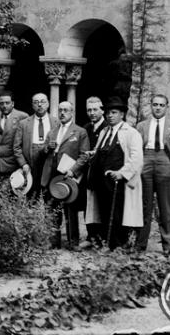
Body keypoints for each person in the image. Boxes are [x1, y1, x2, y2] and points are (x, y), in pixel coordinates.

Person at [85, 96, 144, 250]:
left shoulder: (131, 133)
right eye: (108, 113)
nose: (110, 116)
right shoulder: (105, 132)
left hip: (119, 182)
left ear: (122, 115)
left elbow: (136, 158)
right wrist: (93, 154)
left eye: (114, 112)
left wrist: (122, 173)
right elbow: (100, 150)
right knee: (104, 211)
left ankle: (117, 245)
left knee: (117, 213)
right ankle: (106, 242)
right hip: (102, 181)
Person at [135, 94, 170, 255]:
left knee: (166, 207)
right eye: (155, 104)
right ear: (151, 106)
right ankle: (140, 244)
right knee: (144, 206)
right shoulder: (141, 126)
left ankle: (167, 245)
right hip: (146, 160)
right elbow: (136, 148)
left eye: (161, 105)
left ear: (167, 107)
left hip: (165, 161)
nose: (158, 108)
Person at [41, 101, 90, 249]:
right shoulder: (53, 131)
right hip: (51, 172)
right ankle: (53, 241)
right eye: (60, 110)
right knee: (51, 208)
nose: (62, 113)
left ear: (72, 113)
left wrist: (73, 170)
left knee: (70, 208)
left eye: (66, 110)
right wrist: (47, 148)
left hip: (68, 174)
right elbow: (43, 151)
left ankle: (73, 242)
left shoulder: (80, 131)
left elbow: (84, 155)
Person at [13, 93, 56, 198]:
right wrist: (23, 164)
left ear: (48, 104)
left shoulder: (56, 122)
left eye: (43, 102)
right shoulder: (23, 124)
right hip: (31, 162)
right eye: (36, 102)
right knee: (32, 195)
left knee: (50, 196)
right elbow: (16, 147)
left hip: (49, 160)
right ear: (32, 105)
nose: (40, 105)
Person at [79, 96, 108, 249]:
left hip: (103, 172)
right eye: (89, 110)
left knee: (102, 204)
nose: (92, 113)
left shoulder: (108, 127)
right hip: (89, 172)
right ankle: (91, 236)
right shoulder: (86, 128)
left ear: (102, 110)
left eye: (95, 109)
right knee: (88, 205)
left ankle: (103, 238)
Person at [0, 90, 28, 179]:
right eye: (1, 103)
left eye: (7, 103)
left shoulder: (22, 117)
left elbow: (25, 142)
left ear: (12, 103)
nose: (4, 106)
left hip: (14, 163)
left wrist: (23, 163)